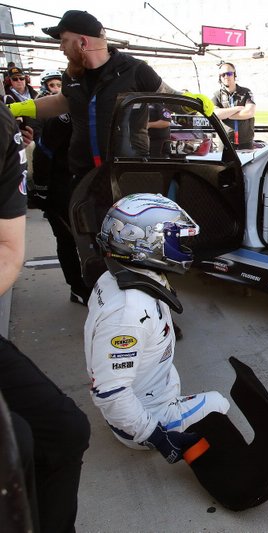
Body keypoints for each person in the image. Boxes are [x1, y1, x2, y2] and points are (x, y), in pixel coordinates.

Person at [84, 193, 230, 461]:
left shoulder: (113, 277)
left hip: (144, 397)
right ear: (145, 242)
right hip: (146, 420)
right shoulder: (129, 311)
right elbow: (110, 392)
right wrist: (158, 437)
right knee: (220, 403)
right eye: (174, 239)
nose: (182, 247)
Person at [0, 102, 90, 533]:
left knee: (64, 431)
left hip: (74, 196)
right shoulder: (55, 126)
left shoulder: (1, 127)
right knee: (12, 438)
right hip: (60, 196)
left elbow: (7, 250)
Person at [7, 9, 214, 182]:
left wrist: (191, 102)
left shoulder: (135, 70)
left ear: (83, 43)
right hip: (84, 174)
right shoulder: (71, 75)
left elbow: (168, 96)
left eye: (63, 41)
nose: (61, 47)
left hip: (127, 174)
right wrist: (19, 108)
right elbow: (62, 102)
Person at [30, 69, 90, 305]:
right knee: (67, 238)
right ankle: (77, 288)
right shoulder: (63, 119)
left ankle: (94, 284)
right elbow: (43, 153)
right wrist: (42, 189)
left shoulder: (98, 113)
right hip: (62, 187)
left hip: (88, 185)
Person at [212, 62, 256, 149]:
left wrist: (226, 115)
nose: (226, 76)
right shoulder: (217, 95)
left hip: (245, 142)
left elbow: (249, 112)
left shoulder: (246, 92)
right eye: (222, 74)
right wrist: (237, 108)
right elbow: (216, 114)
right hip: (225, 141)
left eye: (229, 73)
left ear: (234, 75)